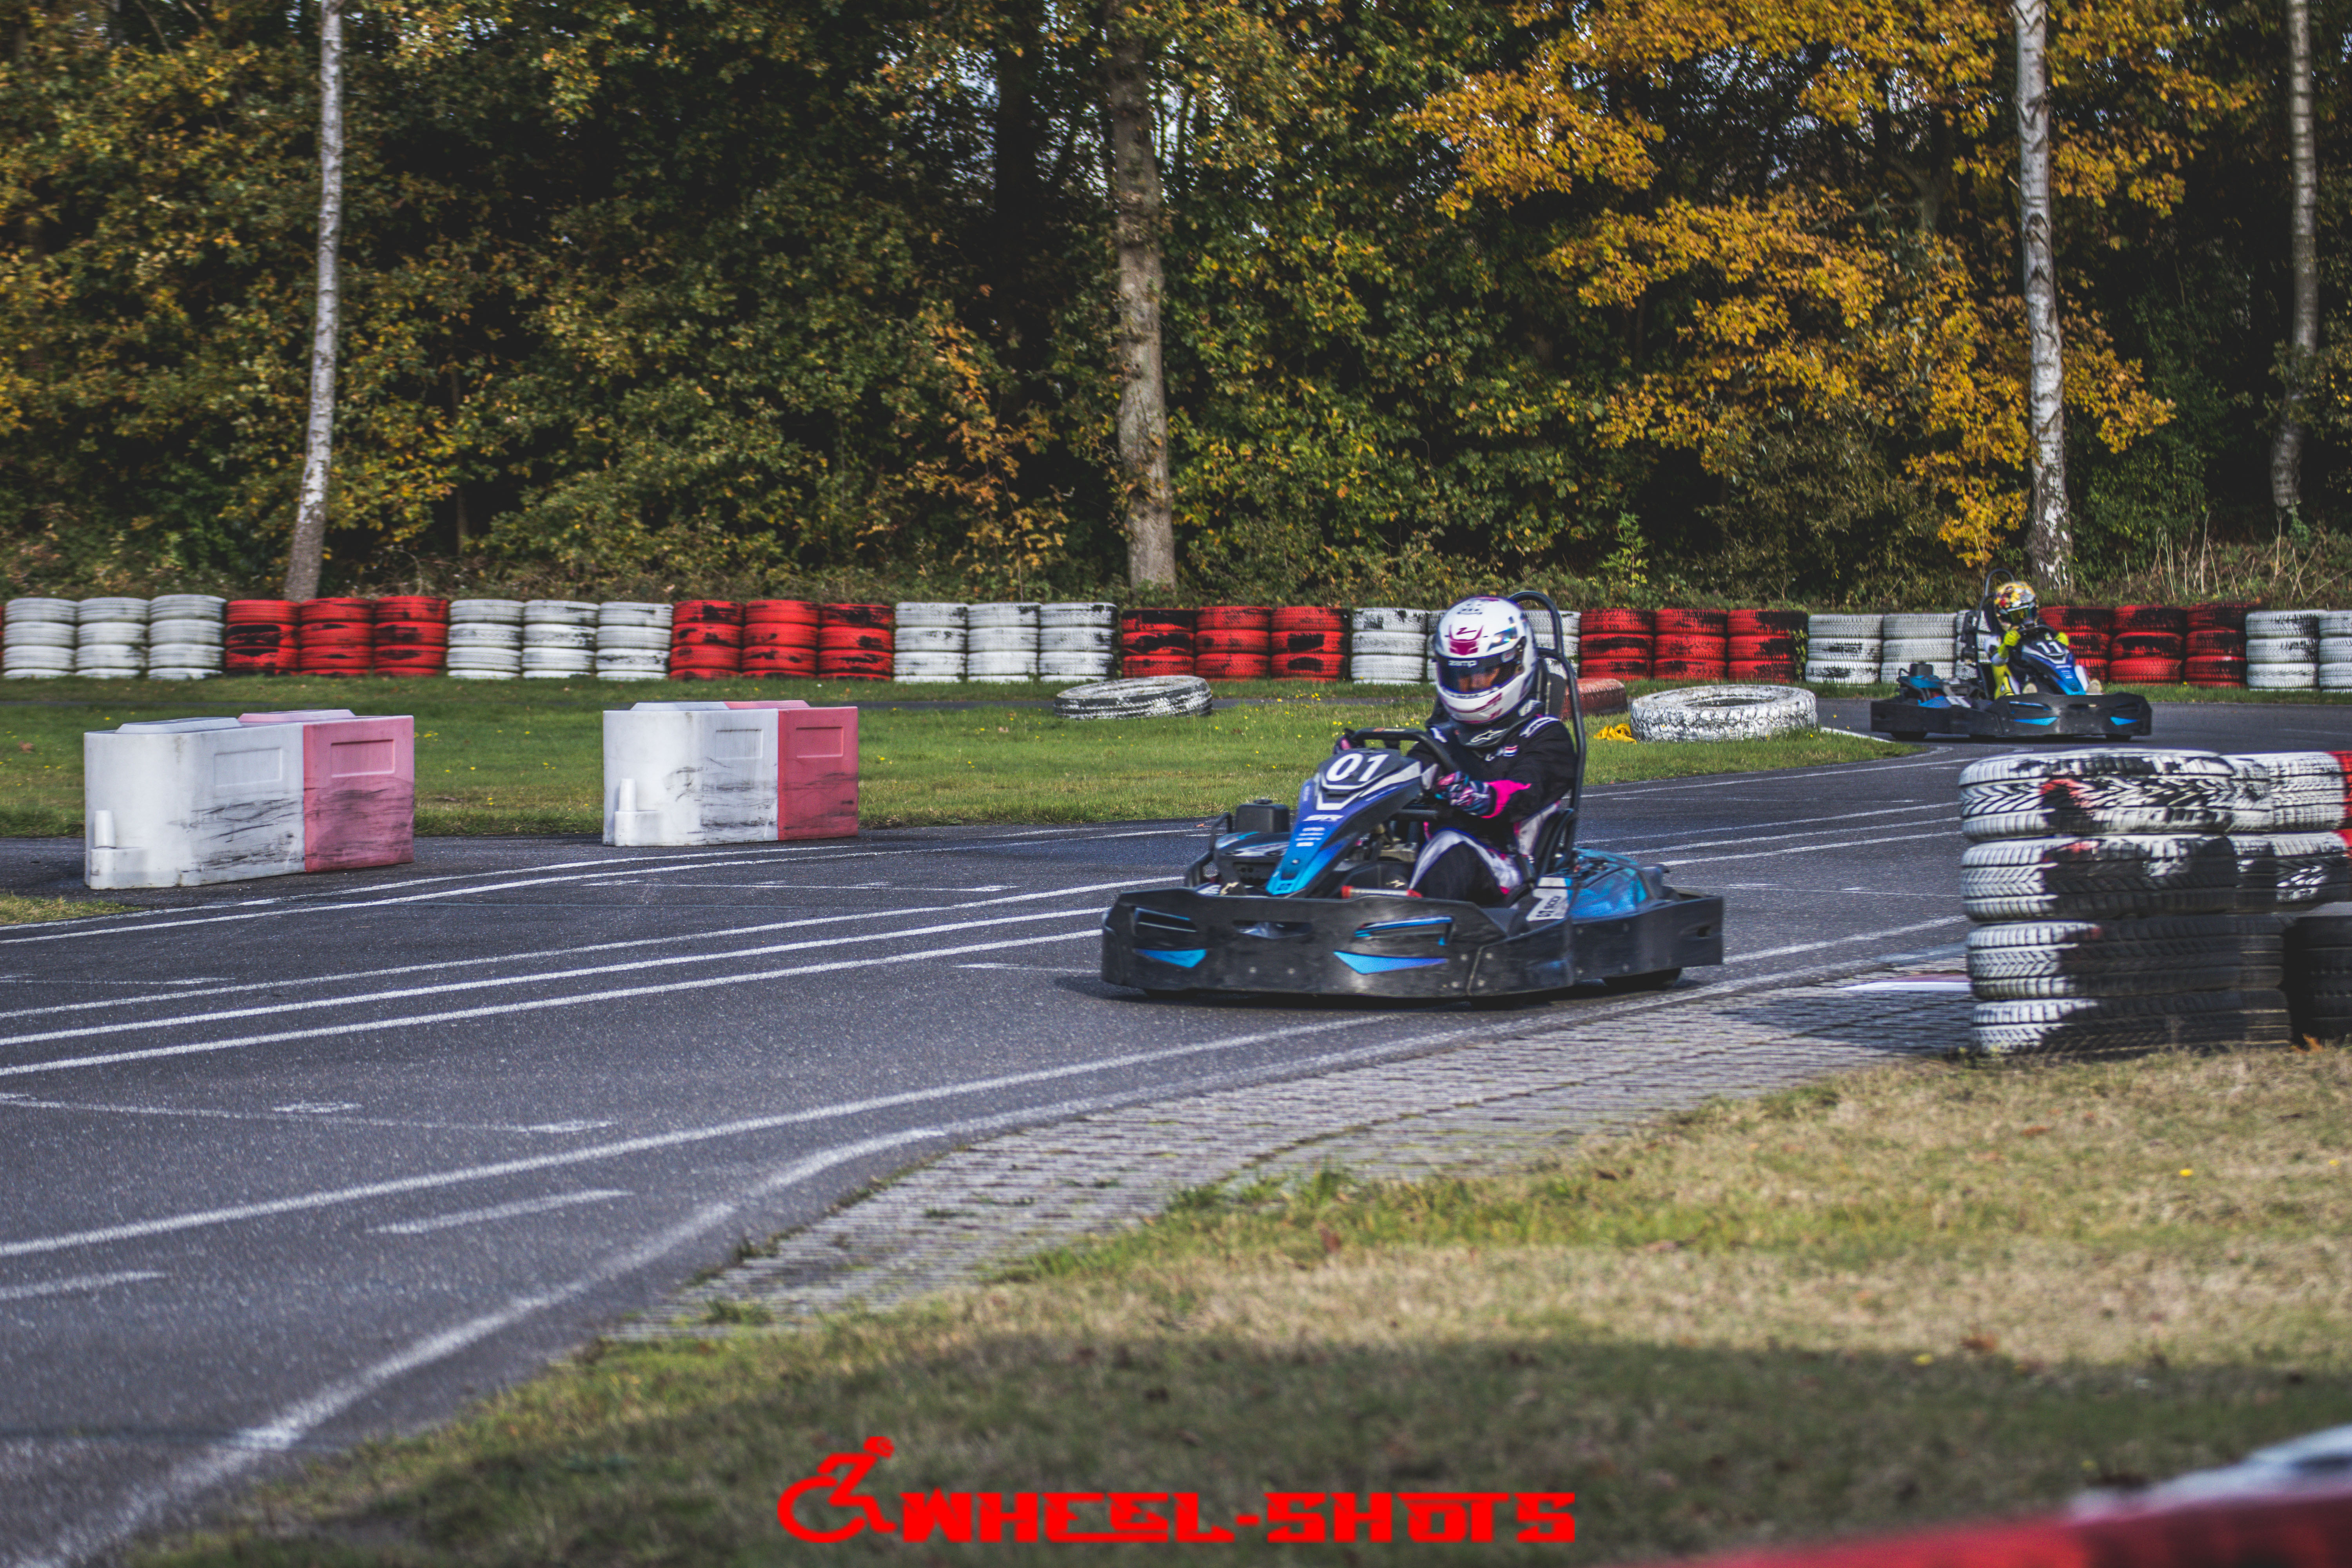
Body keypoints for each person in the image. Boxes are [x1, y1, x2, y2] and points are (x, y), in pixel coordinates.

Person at [1407, 596, 1581, 905]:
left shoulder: (1546, 737)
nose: (1471, 684)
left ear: (1516, 665)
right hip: (1432, 864)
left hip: (1509, 869)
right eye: (1460, 675)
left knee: (1452, 847)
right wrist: (1368, 770)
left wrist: (1478, 795)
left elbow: (1525, 791)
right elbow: (1409, 776)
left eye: (1483, 673)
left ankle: (1410, 923)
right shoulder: (1441, 738)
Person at [1983, 579, 2065, 697]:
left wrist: (2061, 644)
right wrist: (2006, 647)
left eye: (2028, 613)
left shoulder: (2043, 632)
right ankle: (2027, 695)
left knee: (2077, 668)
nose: (2025, 619)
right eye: (2018, 615)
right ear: (2005, 616)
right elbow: (1997, 661)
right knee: (2008, 680)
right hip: (2014, 686)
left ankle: (2085, 691)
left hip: (2043, 680)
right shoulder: (1996, 640)